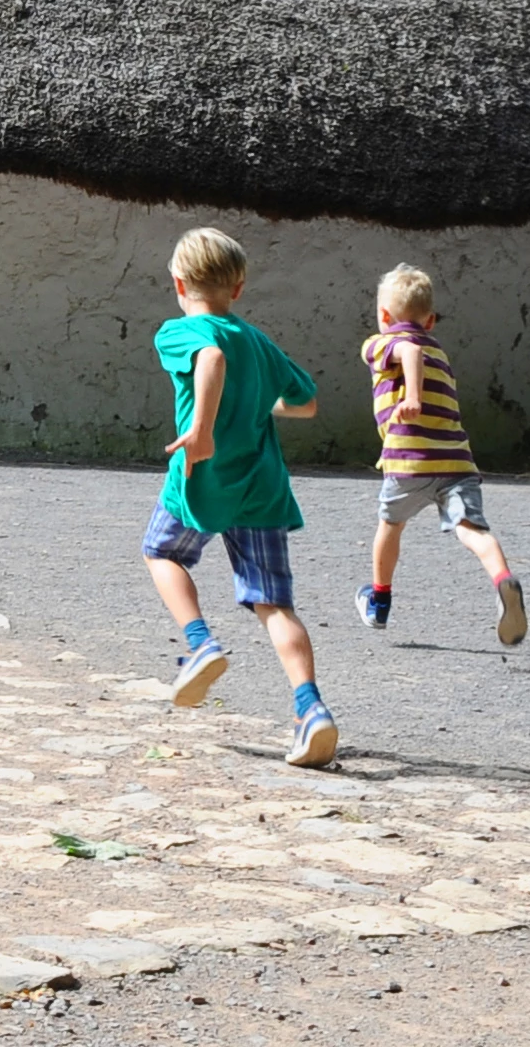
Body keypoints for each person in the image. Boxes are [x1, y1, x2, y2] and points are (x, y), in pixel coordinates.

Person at [143, 225, 337, 767]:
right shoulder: (259, 341)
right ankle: (310, 709)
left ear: (180, 283)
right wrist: (260, 406)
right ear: (240, 287)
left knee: (162, 552)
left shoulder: (178, 331)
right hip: (261, 486)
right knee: (274, 604)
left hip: (203, 478)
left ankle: (201, 642)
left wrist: (202, 428)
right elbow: (306, 403)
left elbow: (210, 359)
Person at [353, 264, 529, 646]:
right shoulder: (441, 353)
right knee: (472, 530)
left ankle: (379, 600)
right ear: (430, 320)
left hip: (409, 460)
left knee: (390, 526)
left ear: (384, 316)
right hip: (455, 462)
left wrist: (411, 397)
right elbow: (419, 349)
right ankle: (503, 579)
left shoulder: (380, 343)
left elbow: (408, 349)